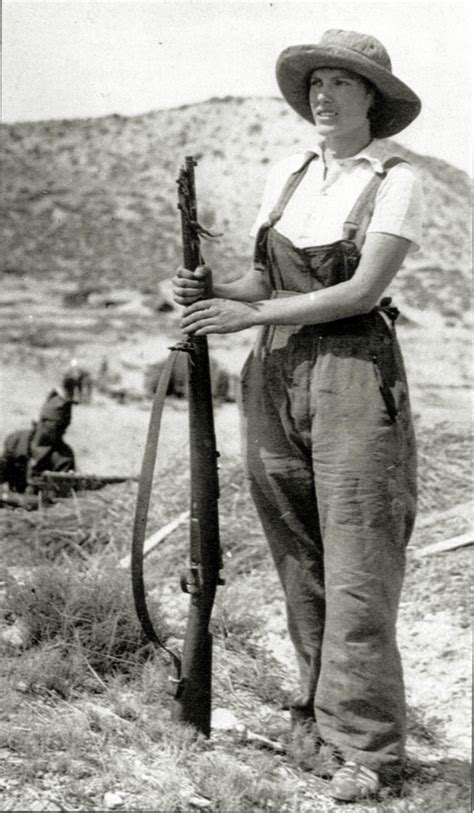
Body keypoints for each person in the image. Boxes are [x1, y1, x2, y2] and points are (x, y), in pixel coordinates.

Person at [172, 29, 422, 802]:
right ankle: (316, 718)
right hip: (273, 373)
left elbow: (360, 292)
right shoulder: (287, 172)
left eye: (342, 84)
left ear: (371, 98)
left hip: (351, 371)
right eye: (315, 82)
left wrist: (250, 315)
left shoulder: (397, 178)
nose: (323, 95)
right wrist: (214, 291)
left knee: (358, 565)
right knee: (298, 556)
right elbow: (260, 275)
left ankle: (369, 749)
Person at [0, 376, 76, 495]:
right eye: (58, 427)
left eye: (64, 427)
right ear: (43, 421)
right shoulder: (16, 441)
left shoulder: (63, 457)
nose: (63, 432)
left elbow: (56, 501)